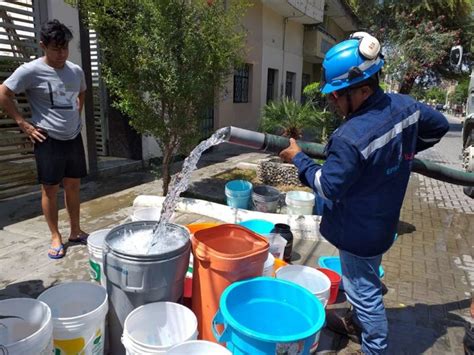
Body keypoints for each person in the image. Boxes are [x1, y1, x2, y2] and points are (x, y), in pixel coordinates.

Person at [280, 32, 449, 354]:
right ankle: (356, 321)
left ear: (364, 89)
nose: (332, 101)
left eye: (337, 94)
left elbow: (327, 185)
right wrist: (403, 153)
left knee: (366, 294)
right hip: (382, 223)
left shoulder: (351, 137)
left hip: (356, 231)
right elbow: (438, 126)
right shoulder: (405, 106)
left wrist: (298, 159)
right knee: (364, 282)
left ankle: (374, 347)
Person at [0, 19, 88, 259]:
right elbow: (4, 93)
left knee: (73, 186)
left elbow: (81, 91)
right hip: (47, 138)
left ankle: (76, 230)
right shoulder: (30, 71)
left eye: (65, 48)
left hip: (72, 137)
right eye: (55, 49)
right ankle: (55, 236)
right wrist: (23, 124)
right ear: (43, 46)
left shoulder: (75, 70)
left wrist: (76, 114)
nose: (61, 54)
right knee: (50, 189)